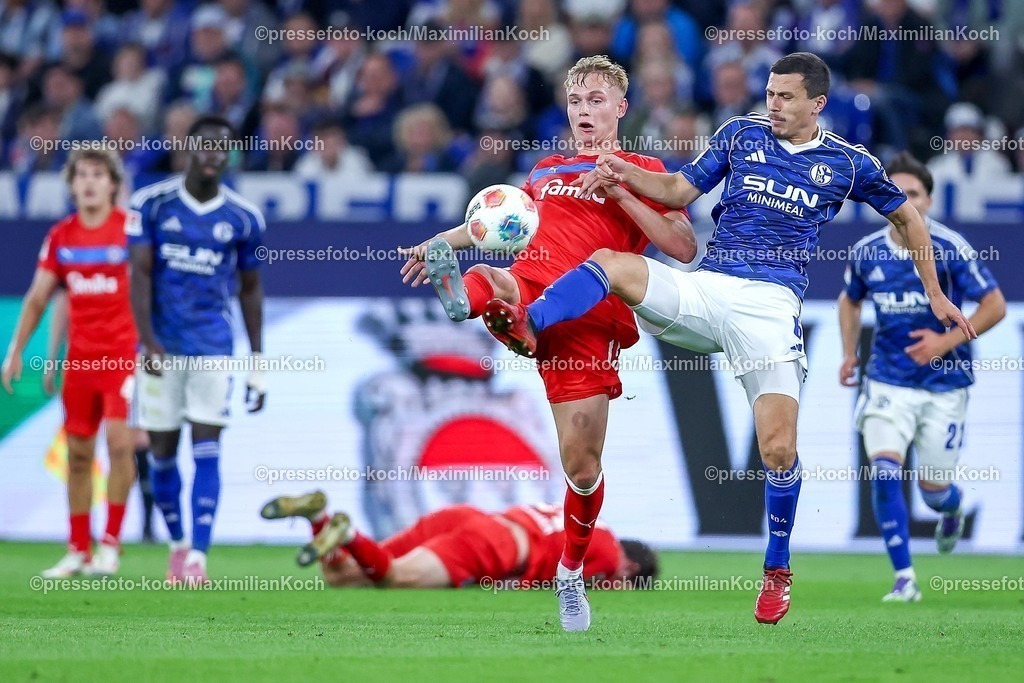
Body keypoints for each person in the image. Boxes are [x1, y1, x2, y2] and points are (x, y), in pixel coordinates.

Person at [479, 52, 977, 625]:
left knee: (778, 449)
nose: (774, 105)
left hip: (769, 309)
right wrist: (619, 171)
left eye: (786, 97)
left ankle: (777, 568)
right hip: (710, 288)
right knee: (609, 262)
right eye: (769, 93)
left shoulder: (847, 162)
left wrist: (936, 293)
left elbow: (908, 220)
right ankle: (531, 323)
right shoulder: (740, 135)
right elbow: (673, 191)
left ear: (817, 103)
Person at [398, 55, 696, 631]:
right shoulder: (544, 172)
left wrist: (622, 190)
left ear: (620, 108)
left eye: (597, 100)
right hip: (532, 281)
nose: (586, 111)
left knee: (581, 467)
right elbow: (500, 220)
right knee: (495, 273)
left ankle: (570, 572)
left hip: (589, 316)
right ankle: (478, 301)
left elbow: (682, 246)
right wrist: (444, 241)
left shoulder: (644, 168)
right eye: (577, 101)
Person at [838, 152, 1004, 602]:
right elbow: (849, 299)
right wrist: (850, 353)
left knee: (933, 492)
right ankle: (905, 577)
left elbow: (994, 304)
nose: (904, 202)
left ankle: (951, 510)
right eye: (897, 193)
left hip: (944, 385)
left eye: (913, 194)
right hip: (887, 379)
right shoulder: (866, 251)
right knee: (886, 470)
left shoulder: (951, 247)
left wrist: (943, 344)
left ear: (928, 201)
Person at [128, 115, 267, 586]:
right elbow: (141, 275)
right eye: (206, 146)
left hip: (212, 345)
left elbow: (250, 289)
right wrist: (147, 341)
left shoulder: (244, 218)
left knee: (207, 447)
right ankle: (177, 545)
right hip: (162, 347)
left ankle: (198, 560)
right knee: (162, 451)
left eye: (223, 148)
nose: (214, 155)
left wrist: (257, 363)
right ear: (189, 148)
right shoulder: (152, 204)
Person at [2, 148, 137, 577]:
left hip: (123, 356)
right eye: (82, 175)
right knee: (78, 455)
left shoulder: (131, 230)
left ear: (113, 184)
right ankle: (79, 548)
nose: (90, 182)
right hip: (80, 362)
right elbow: (43, 296)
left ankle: (111, 547)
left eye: (99, 174)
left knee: (119, 443)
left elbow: (155, 288)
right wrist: (19, 350)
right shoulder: (62, 236)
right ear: (72, 185)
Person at [260, 491, 658, 591]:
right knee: (395, 577)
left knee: (344, 577)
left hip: (469, 519)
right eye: (622, 583)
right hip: (492, 543)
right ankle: (346, 532)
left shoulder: (593, 522)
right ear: (631, 569)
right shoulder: (607, 554)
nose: (610, 586)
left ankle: (318, 518)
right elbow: (561, 584)